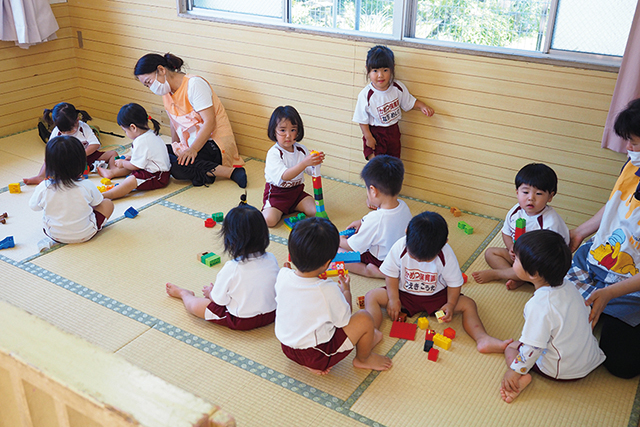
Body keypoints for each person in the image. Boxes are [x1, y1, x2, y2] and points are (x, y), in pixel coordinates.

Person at [566, 98, 640, 379]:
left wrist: (610, 294)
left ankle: (610, 309)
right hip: (600, 259)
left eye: (633, 141)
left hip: (632, 283)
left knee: (622, 365)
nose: (628, 147)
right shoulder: (633, 164)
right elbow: (616, 205)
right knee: (553, 305)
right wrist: (580, 231)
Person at [365, 211, 511, 353]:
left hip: (436, 298)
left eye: (426, 259)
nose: (419, 261)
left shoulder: (446, 254)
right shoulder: (399, 246)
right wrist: (393, 299)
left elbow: (454, 284)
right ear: (406, 232)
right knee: (371, 296)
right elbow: (390, 275)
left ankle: (482, 338)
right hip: (403, 294)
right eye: (414, 256)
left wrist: (451, 304)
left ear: (444, 243)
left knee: (469, 304)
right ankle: (372, 333)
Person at [275, 217, 393, 375]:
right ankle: (363, 359)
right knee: (364, 318)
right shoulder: (327, 290)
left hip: (287, 347)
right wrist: (346, 291)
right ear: (327, 264)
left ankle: (307, 363)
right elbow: (344, 320)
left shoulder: (283, 275)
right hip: (317, 355)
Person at [500, 230, 605, 403]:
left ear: (533, 274)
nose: (513, 260)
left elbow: (532, 348)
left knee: (511, 347)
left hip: (563, 370)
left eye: (517, 259)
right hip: (589, 357)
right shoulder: (570, 286)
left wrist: (515, 370)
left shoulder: (539, 305)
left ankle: (520, 380)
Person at [134, 53, 247, 188]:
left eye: (149, 82)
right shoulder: (166, 91)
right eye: (147, 86)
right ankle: (203, 171)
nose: (151, 88)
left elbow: (209, 122)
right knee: (158, 151)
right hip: (189, 143)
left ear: (161, 70)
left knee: (177, 169)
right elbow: (174, 120)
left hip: (212, 142)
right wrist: (175, 145)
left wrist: (193, 149)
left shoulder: (194, 84)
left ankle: (231, 172)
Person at [166, 204, 279, 330]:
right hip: (273, 314)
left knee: (197, 306)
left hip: (242, 320)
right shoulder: (271, 258)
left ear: (230, 240)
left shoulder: (232, 267)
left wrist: (210, 293)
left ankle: (184, 294)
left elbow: (220, 301)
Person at [472, 163, 570, 289]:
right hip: (519, 259)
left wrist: (523, 259)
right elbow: (506, 232)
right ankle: (517, 277)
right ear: (517, 192)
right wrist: (511, 247)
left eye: (538, 194)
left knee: (544, 275)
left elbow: (552, 255)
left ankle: (500, 274)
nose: (531, 198)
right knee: (490, 253)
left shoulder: (550, 222)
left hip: (540, 264)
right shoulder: (515, 212)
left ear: (550, 196)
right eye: (525, 192)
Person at [353, 45, 434, 161]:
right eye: (375, 71)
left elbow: (409, 102)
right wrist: (368, 137)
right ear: (368, 70)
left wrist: (422, 106)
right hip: (375, 134)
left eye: (385, 70)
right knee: (377, 169)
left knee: (393, 165)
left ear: (392, 68)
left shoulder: (397, 87)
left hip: (393, 132)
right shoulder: (366, 94)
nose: (380, 75)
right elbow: (362, 119)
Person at [28, 135, 114, 244]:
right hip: (86, 234)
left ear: (47, 163)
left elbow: (34, 207)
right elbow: (97, 202)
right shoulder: (86, 184)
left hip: (54, 235)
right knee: (107, 204)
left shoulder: (44, 187)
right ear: (82, 163)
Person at [339, 155, 412, 278]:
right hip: (400, 257)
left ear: (373, 190)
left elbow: (353, 246)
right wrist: (362, 221)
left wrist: (339, 240)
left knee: (338, 253)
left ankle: (371, 272)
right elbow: (383, 220)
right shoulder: (403, 206)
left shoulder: (377, 219)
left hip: (381, 260)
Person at [24, 103, 117, 185]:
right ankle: (41, 176)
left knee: (113, 154)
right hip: (67, 161)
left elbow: (95, 144)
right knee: (48, 160)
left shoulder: (83, 127)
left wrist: (81, 154)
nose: (67, 133)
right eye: (63, 131)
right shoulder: (56, 131)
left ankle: (113, 171)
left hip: (86, 157)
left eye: (70, 130)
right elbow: (50, 148)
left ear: (77, 120)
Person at [262, 106, 324, 227]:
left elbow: (311, 171)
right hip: (277, 195)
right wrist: (305, 163)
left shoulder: (301, 150)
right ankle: (272, 210)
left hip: (297, 194)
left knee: (316, 211)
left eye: (293, 130)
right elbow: (284, 176)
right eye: (283, 130)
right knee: (269, 221)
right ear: (274, 131)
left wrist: (315, 162)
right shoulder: (274, 153)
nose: (288, 135)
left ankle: (294, 207)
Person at [97, 103, 171, 200]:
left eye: (125, 131)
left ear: (133, 127)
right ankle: (112, 173)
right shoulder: (150, 133)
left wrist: (123, 163)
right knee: (129, 165)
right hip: (155, 170)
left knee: (131, 180)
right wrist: (131, 159)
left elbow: (136, 166)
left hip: (158, 176)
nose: (126, 134)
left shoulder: (141, 141)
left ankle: (108, 195)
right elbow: (148, 156)